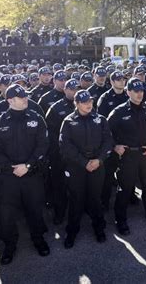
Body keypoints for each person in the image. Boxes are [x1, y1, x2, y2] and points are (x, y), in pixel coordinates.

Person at [0, 84, 50, 264]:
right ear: (10, 100)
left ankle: (39, 240)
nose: (26, 99)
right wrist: (12, 167)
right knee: (6, 215)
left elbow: (43, 145)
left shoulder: (36, 118)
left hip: (32, 175)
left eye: (25, 96)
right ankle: (9, 246)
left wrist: (28, 165)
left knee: (35, 210)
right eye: (21, 97)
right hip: (8, 177)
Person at [108, 78, 146, 235]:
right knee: (125, 189)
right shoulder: (118, 112)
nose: (140, 94)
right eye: (136, 91)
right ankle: (121, 219)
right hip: (128, 156)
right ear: (128, 92)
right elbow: (105, 132)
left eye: (141, 91)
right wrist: (114, 146)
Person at [59, 90, 113, 248]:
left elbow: (108, 141)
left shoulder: (100, 119)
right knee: (76, 200)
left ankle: (99, 228)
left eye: (90, 101)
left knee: (95, 199)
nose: (89, 104)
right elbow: (65, 146)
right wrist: (84, 162)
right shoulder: (68, 121)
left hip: (97, 165)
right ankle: (72, 231)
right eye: (84, 102)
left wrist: (99, 159)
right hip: (77, 167)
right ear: (76, 104)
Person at [45, 78, 80, 225]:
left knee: (78, 186)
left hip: (80, 155)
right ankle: (59, 213)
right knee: (59, 186)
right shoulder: (55, 108)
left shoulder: (85, 105)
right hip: (60, 155)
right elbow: (49, 134)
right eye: (71, 89)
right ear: (65, 90)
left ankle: (79, 211)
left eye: (76, 89)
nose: (74, 91)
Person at [97, 71, 129, 210]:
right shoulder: (105, 98)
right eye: (118, 79)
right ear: (112, 82)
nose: (122, 81)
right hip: (111, 143)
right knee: (108, 176)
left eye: (123, 79)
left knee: (128, 172)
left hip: (128, 141)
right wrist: (114, 145)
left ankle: (129, 195)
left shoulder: (129, 95)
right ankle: (104, 202)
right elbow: (102, 126)